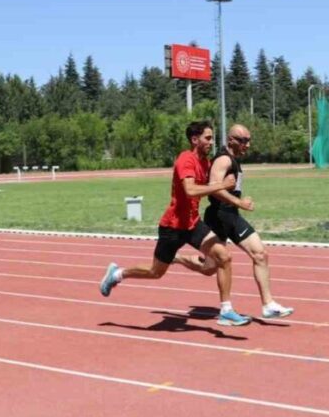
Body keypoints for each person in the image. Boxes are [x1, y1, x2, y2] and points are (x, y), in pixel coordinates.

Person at [98, 120, 251, 326]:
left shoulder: (206, 163)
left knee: (224, 257)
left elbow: (214, 189)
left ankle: (226, 310)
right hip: (173, 226)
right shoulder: (185, 160)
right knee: (155, 272)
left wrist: (237, 201)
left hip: (193, 224)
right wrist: (221, 185)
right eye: (207, 138)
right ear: (194, 139)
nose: (211, 142)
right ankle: (117, 274)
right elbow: (190, 190)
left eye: (212, 138)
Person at [198, 124, 294, 320]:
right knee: (209, 268)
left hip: (231, 215)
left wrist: (236, 204)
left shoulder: (234, 159)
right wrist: (239, 202)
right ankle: (174, 258)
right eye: (243, 140)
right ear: (230, 140)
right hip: (218, 216)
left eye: (249, 140)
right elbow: (213, 187)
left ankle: (268, 305)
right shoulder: (224, 159)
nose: (247, 145)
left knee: (260, 254)